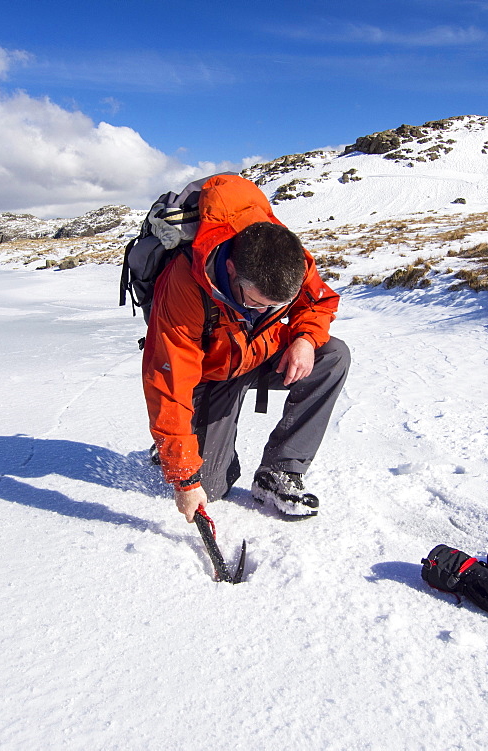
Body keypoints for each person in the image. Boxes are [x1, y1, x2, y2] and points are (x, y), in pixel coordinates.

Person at [142, 174, 350, 523]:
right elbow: (169, 380)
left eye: (274, 307)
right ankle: (177, 445)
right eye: (255, 302)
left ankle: (280, 472)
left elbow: (317, 303)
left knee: (333, 355)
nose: (263, 312)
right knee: (207, 487)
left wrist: (304, 339)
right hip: (211, 375)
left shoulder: (290, 258)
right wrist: (184, 476)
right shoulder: (184, 285)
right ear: (230, 269)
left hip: (259, 352)